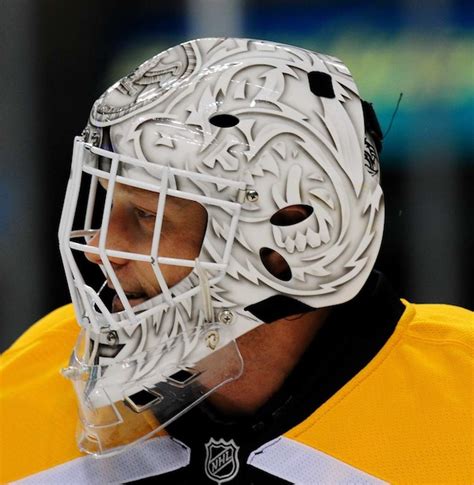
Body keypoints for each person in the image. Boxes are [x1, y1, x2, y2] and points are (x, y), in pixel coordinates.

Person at [1, 37, 472, 485]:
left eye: (147, 214)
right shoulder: (22, 386)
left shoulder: (459, 395)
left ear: (295, 227)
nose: (100, 246)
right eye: (107, 203)